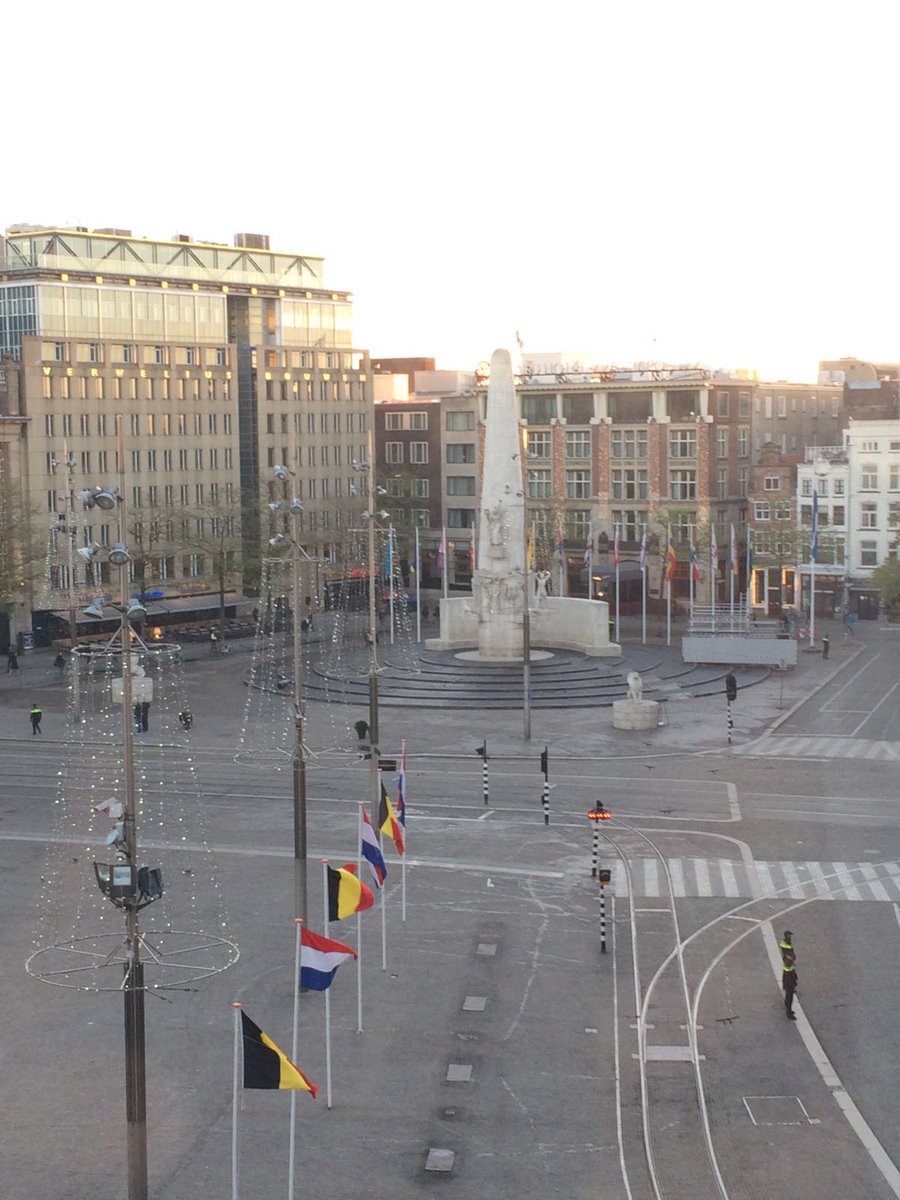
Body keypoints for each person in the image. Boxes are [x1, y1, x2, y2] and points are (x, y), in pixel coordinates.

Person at [779, 930, 798, 1020]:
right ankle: (789, 1011)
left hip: (789, 970)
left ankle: (788, 1007)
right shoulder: (787, 946)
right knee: (789, 993)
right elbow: (790, 956)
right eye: (789, 935)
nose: (790, 937)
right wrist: (793, 958)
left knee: (790, 988)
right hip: (789, 971)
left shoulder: (786, 943)